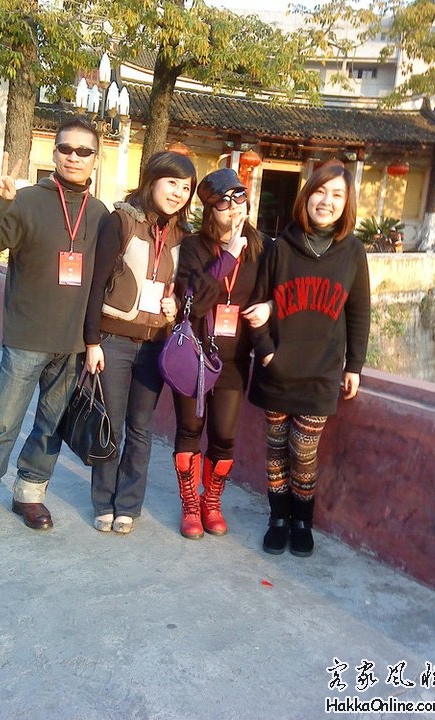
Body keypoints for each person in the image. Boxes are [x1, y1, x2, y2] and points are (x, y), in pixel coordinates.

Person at [0, 116, 109, 541]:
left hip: (72, 342)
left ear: (95, 159)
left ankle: (29, 493)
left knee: (50, 426)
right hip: (27, 338)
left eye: (84, 151)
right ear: (54, 153)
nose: (74, 157)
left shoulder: (100, 214)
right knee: (3, 422)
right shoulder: (25, 200)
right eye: (66, 149)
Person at [249, 160, 371, 557]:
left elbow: (359, 312)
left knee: (303, 452)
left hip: (321, 373)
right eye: (320, 191)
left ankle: (302, 520)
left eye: (337, 195)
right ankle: (277, 519)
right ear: (307, 195)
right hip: (277, 369)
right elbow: (257, 305)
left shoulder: (353, 252)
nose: (326, 201)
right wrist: (267, 353)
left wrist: (354, 366)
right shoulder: (280, 247)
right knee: (276, 450)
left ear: (347, 204)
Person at [84, 151, 197, 534]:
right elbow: (96, 282)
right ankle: (104, 501)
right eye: (172, 183)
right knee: (111, 425)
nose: (178, 193)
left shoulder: (182, 236)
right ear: (152, 181)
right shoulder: (121, 221)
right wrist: (92, 341)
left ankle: (128, 505)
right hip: (114, 341)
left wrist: (176, 303)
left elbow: (186, 289)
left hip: (155, 346)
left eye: (186, 188)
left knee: (140, 429)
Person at [172, 168, 273, 539]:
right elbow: (194, 305)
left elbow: (276, 292)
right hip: (193, 354)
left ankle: (211, 501)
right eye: (223, 203)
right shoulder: (193, 247)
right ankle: (190, 504)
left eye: (239, 197)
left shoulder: (263, 248)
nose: (234, 208)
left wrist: (271, 307)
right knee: (189, 430)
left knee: (224, 436)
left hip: (233, 360)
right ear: (209, 210)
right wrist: (228, 256)